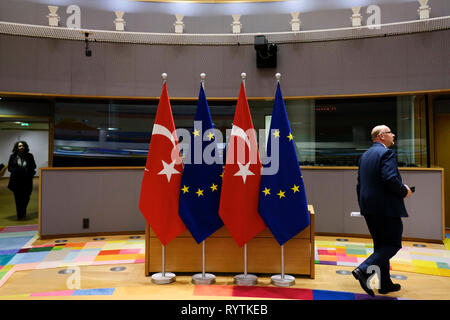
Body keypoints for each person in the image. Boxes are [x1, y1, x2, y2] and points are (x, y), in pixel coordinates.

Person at [353, 125, 412, 296]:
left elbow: (359, 185)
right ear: (381, 136)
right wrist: (404, 191)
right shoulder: (386, 153)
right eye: (390, 132)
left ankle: (385, 283)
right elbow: (390, 178)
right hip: (385, 208)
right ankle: (363, 270)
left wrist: (363, 206)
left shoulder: (365, 156)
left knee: (381, 245)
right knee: (393, 243)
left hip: (368, 207)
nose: (393, 134)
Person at [7, 141, 37, 220]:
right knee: (18, 199)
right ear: (16, 147)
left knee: (26, 198)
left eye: (23, 146)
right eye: (19, 146)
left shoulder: (30, 156)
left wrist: (28, 171)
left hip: (27, 180)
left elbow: (34, 166)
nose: (21, 147)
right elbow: (9, 168)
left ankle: (23, 211)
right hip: (16, 181)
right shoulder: (12, 156)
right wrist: (16, 171)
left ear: (25, 147)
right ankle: (20, 215)